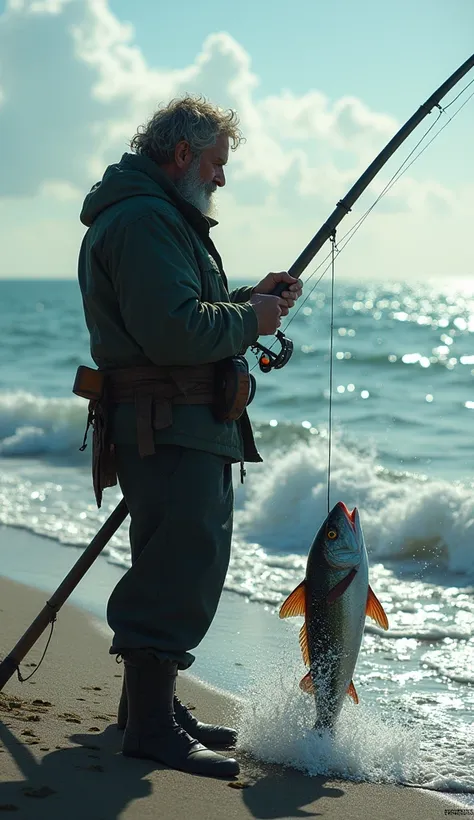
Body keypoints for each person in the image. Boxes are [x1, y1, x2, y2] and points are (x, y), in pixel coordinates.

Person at [78, 95, 302, 778]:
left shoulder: (153, 214)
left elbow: (180, 313)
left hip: (176, 423)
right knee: (180, 567)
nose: (221, 178)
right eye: (216, 163)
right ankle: (149, 727)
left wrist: (245, 301)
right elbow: (173, 333)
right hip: (171, 424)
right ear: (181, 155)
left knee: (178, 562)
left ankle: (149, 709)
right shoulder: (147, 219)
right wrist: (252, 321)